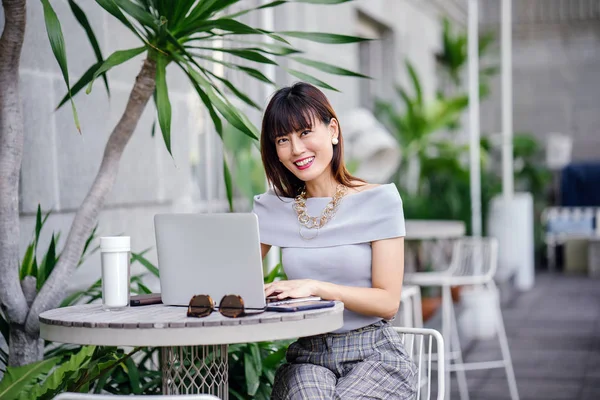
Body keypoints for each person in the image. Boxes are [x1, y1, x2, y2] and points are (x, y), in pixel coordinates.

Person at [253, 82, 417, 400]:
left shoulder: (379, 201)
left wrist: (316, 287)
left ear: (333, 131)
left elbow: (387, 302)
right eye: (282, 140)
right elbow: (233, 279)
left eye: (304, 132)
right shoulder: (273, 208)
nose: (296, 149)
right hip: (308, 354)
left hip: (373, 353)